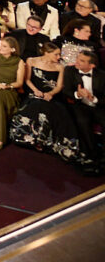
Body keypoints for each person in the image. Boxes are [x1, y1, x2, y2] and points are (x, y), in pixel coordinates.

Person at [8, 41, 102, 174]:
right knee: (36, 106)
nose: (59, 57)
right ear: (46, 53)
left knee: (58, 112)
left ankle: (67, 148)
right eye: (56, 54)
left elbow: (59, 86)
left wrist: (50, 94)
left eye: (59, 54)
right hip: (34, 94)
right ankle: (35, 139)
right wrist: (36, 91)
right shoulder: (31, 61)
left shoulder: (60, 67)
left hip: (52, 97)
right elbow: (27, 80)